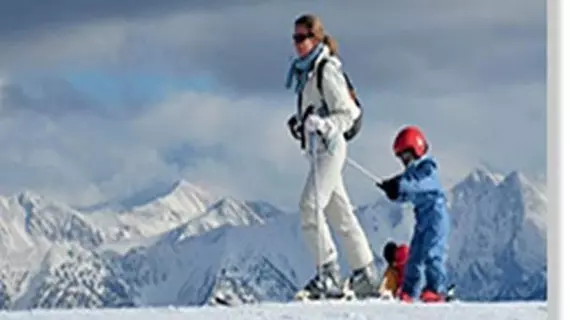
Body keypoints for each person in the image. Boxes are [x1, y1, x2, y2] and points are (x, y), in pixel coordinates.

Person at [285, 13, 379, 299]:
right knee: (340, 212)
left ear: (316, 38)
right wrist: (302, 124)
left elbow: (349, 112)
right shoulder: (307, 72)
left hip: (331, 148)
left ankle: (328, 273)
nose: (298, 44)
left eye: (302, 38)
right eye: (295, 38)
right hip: (318, 150)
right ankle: (366, 273)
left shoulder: (326, 69)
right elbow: (317, 109)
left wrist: (325, 125)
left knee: (310, 206)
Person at [375, 125, 451, 303]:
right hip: (423, 220)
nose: (405, 162)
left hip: (436, 218)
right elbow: (409, 191)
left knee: (433, 253)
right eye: (402, 158)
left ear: (417, 149)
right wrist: (393, 191)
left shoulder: (428, 170)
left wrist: (399, 185)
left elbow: (418, 185)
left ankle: (436, 289)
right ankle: (409, 290)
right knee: (414, 255)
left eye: (406, 156)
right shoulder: (413, 173)